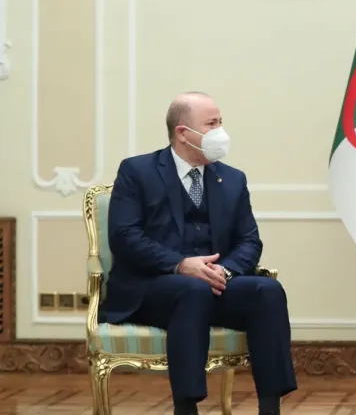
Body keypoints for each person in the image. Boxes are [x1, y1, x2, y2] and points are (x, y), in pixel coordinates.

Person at [101, 92, 297, 415]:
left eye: (221, 122)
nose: (221, 132)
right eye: (212, 124)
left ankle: (270, 407)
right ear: (182, 133)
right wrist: (180, 265)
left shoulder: (232, 179)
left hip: (216, 284)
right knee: (192, 291)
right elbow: (124, 237)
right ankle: (187, 407)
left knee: (268, 291)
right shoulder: (138, 171)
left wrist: (225, 271)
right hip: (153, 288)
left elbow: (250, 241)